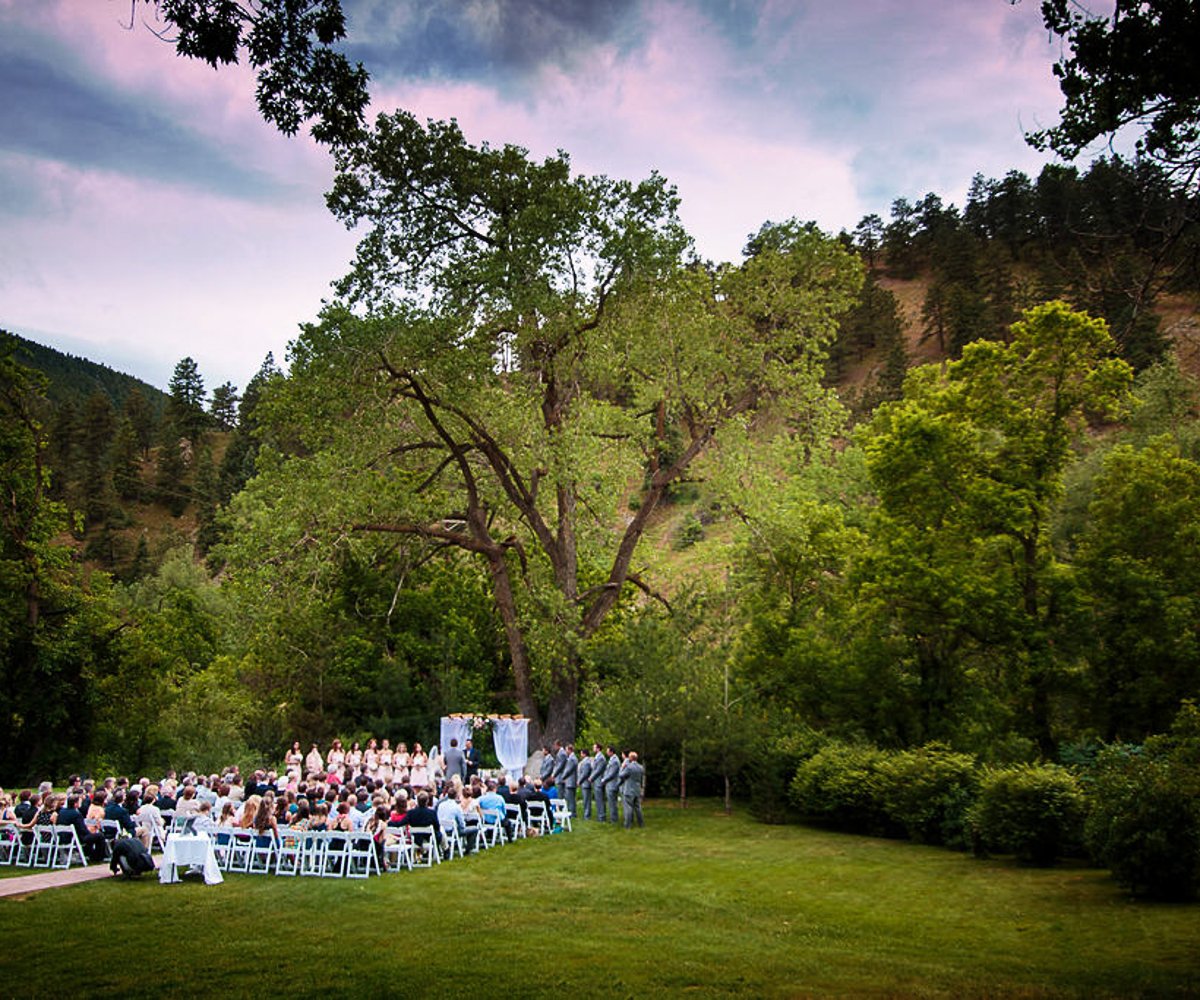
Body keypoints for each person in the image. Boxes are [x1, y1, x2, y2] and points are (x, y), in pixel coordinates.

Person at [619, 751, 646, 829]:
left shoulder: (629, 767)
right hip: (637, 790)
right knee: (638, 808)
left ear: (630, 758)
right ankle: (641, 824)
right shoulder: (641, 767)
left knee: (629, 808)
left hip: (629, 790)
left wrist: (622, 767)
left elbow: (621, 775)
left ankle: (628, 825)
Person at [603, 745, 621, 825]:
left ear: (611, 751)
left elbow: (611, 774)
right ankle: (613, 818)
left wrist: (603, 779)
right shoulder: (612, 759)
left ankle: (614, 820)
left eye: (608, 751)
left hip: (612, 784)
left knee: (612, 803)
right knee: (611, 803)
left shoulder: (615, 761)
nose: (607, 752)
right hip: (610, 784)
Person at [578, 748, 594, 820]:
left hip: (586, 783)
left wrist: (579, 781)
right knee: (585, 800)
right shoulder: (585, 761)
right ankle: (586, 814)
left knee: (587, 800)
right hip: (584, 783)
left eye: (581, 753)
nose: (580, 755)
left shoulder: (586, 762)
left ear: (584, 754)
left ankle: (587, 816)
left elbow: (585, 773)